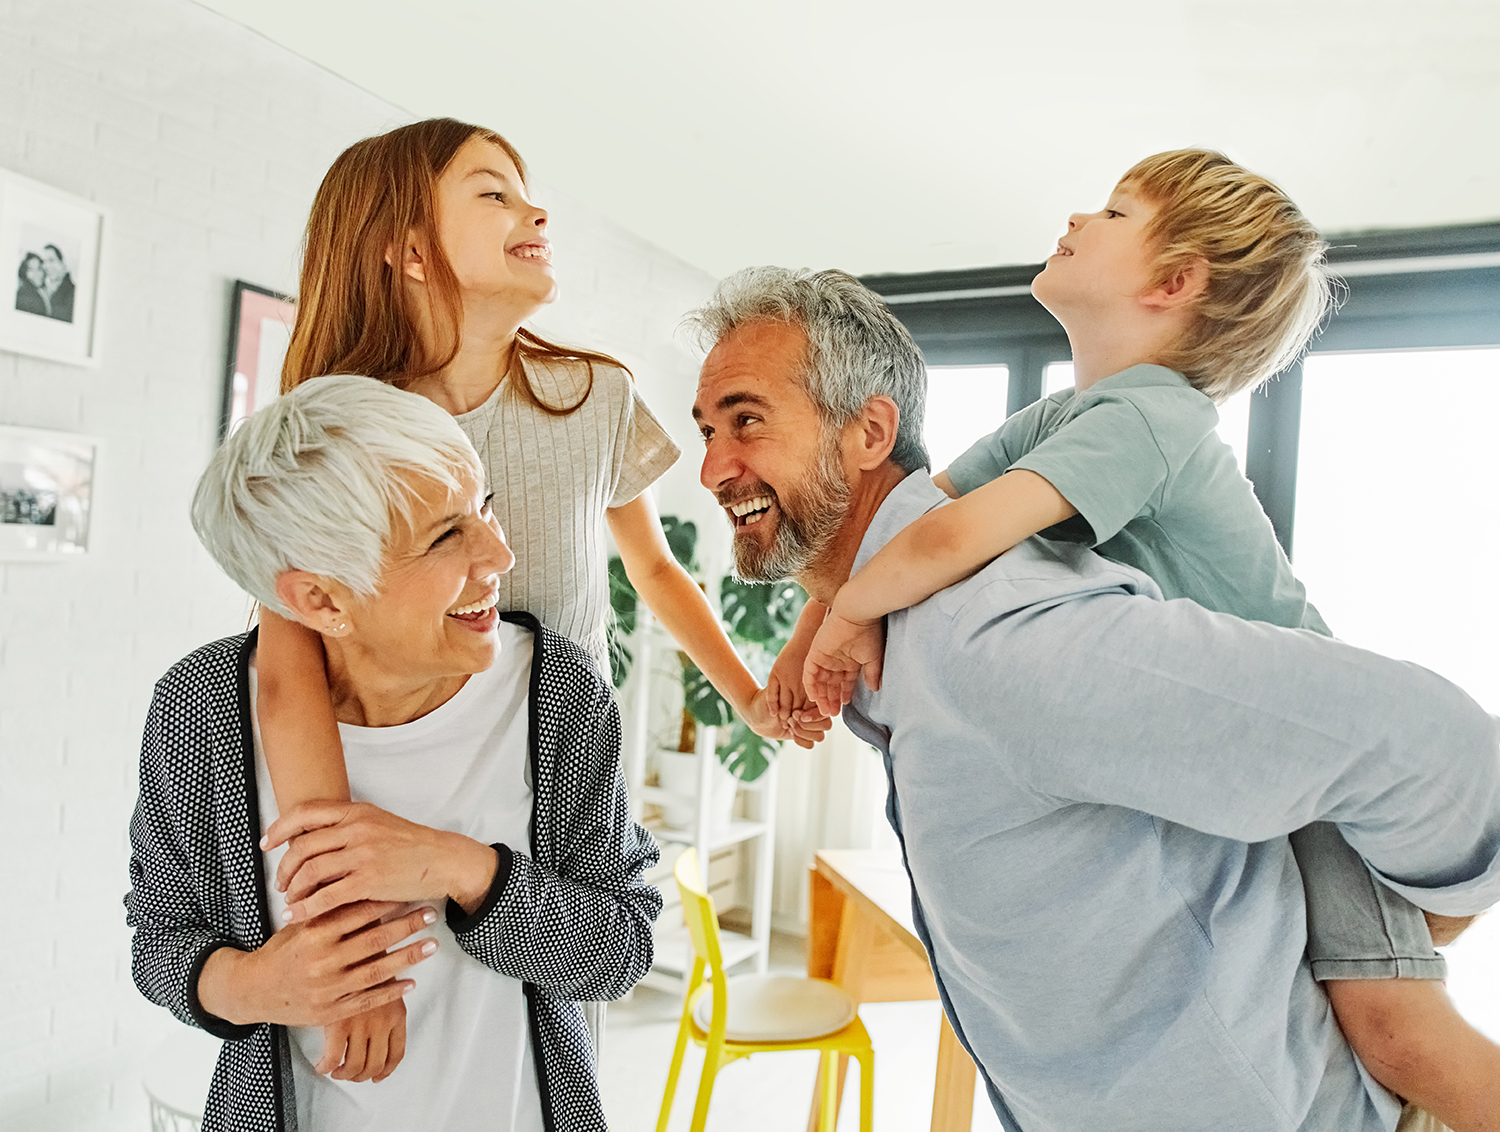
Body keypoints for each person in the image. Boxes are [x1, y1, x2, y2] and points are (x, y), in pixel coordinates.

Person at [688, 265, 1500, 1132]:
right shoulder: (915, 634)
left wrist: (1437, 908)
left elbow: (1440, 750)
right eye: (707, 430)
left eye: (747, 421)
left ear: (869, 432)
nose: (710, 468)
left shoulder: (994, 637)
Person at [255, 118, 829, 1065]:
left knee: (552, 1057)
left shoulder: (592, 398)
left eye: (525, 191)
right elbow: (287, 668)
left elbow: (653, 568)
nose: (535, 209)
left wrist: (751, 697)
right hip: (389, 788)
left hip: (558, 790)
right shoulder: (339, 427)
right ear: (403, 248)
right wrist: (348, 925)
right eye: (493, 192)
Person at [125, 374, 659, 1132]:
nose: (499, 554)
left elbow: (621, 948)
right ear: (321, 601)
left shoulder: (555, 695)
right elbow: (160, 939)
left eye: (484, 508)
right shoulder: (203, 710)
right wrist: (253, 984)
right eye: (447, 536)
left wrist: (460, 868)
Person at [39, 244, 74, 322]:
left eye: (51, 260)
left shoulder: (73, 293)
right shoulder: (42, 289)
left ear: (63, 263)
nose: (46, 266)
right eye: (44, 261)